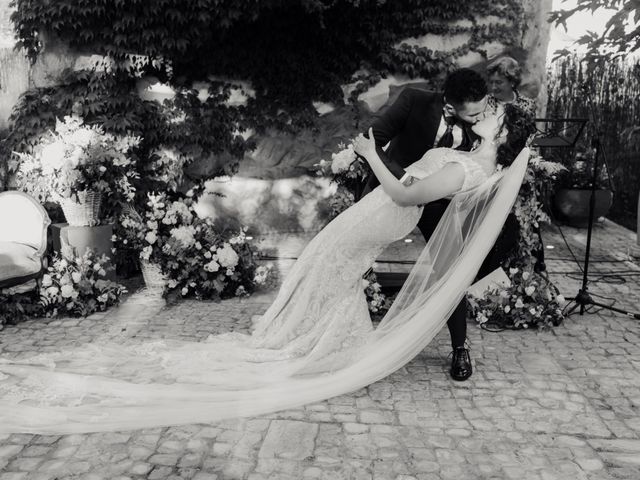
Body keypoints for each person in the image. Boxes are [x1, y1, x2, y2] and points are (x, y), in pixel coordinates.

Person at [0, 104, 534, 434]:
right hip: (379, 216)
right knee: (327, 265)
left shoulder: (468, 167)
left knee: (330, 264)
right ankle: (316, 337)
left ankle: (321, 346)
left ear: (502, 130)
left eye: (495, 111)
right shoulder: (468, 151)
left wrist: (371, 154)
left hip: (385, 214)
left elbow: (402, 192)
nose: (486, 109)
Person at [360, 68, 511, 381]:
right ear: (450, 104)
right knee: (354, 255)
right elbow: (370, 141)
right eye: (472, 113)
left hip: (441, 204)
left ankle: (459, 347)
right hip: (394, 192)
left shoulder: (485, 122)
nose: (480, 115)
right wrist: (406, 182)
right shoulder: (414, 100)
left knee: (450, 268)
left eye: (483, 107)